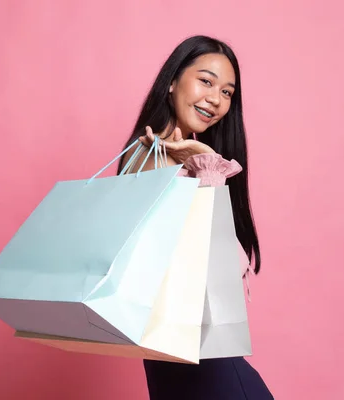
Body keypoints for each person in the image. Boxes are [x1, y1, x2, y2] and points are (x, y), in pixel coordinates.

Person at [117, 35, 274, 399]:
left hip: (178, 361)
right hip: (202, 362)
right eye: (206, 81)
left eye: (227, 92)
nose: (216, 99)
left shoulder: (151, 158)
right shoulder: (157, 160)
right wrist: (207, 167)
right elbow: (210, 266)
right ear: (172, 81)